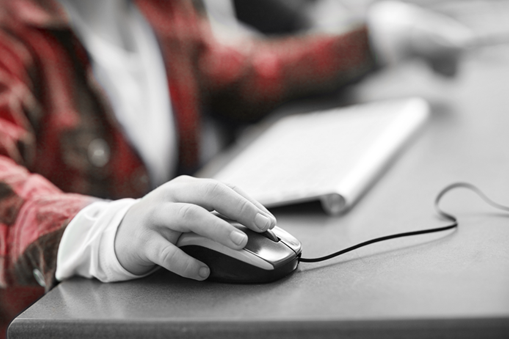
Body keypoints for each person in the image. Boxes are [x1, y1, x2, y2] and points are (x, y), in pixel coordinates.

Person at [0, 0, 471, 334]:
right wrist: (106, 230)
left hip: (163, 313)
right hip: (52, 322)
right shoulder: (13, 30)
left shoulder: (161, 10)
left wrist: (381, 39)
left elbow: (249, 74)